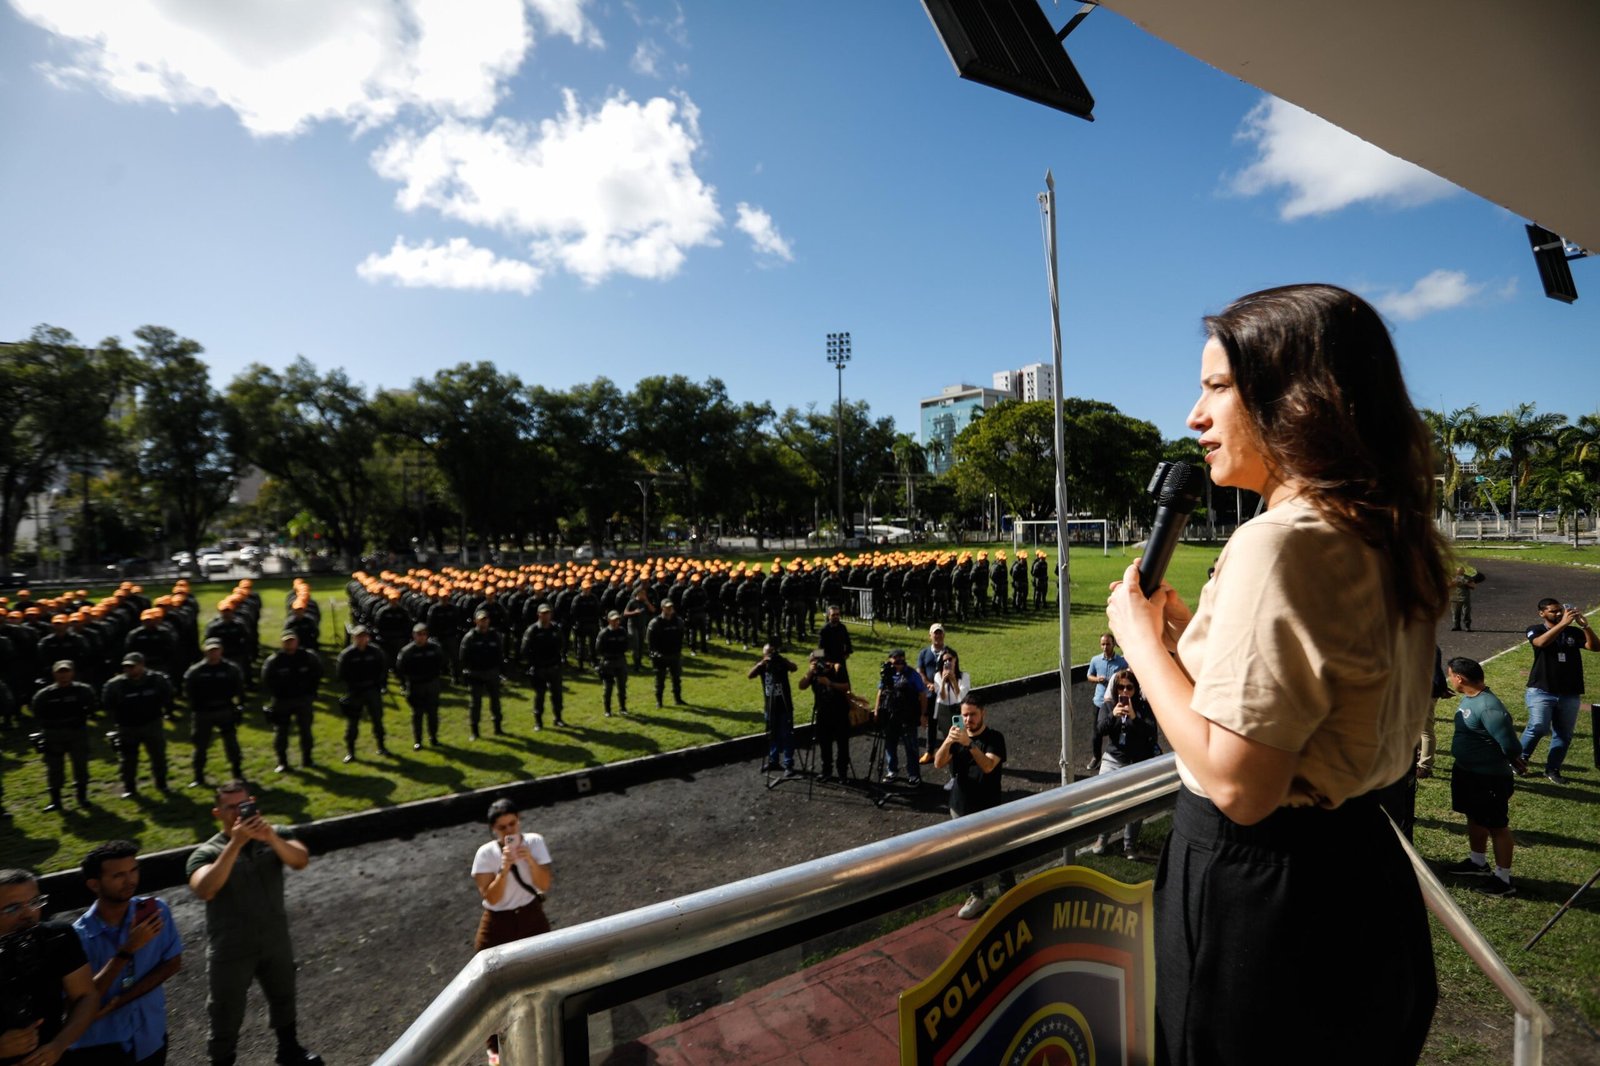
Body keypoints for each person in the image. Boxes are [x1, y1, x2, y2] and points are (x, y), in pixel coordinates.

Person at [1104, 284, 1443, 1064]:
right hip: (1363, 874)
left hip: (1265, 905)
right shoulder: (1382, 529)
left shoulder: (1279, 541)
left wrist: (1140, 642)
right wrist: (1194, 638)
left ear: (1298, 401)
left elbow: (1239, 784)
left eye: (1218, 387)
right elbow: (1319, 695)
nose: (1194, 416)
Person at [184, 781, 322, 1066]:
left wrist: (270, 837)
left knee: (283, 994)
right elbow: (205, 889)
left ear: (254, 803)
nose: (237, 813)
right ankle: (222, 1061)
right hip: (231, 946)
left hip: (274, 938)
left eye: (242, 805)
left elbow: (300, 861)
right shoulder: (206, 852)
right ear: (217, 812)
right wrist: (235, 843)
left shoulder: (275, 835)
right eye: (230, 807)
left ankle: (289, 1049)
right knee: (225, 1008)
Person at [71, 841, 184, 1066]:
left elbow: (173, 963)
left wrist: (122, 1000)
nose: (130, 880)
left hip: (150, 1036)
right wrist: (127, 950)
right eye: (118, 875)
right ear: (94, 884)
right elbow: (80, 1001)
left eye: (134, 871)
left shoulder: (157, 911)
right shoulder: (78, 936)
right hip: (100, 1047)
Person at [470, 798, 552, 1063]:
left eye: (512, 824)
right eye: (502, 828)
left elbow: (545, 884)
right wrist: (504, 869)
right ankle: (494, 1045)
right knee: (492, 984)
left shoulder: (535, 842)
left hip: (530, 916)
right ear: (493, 830)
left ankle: (540, 1030)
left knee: (540, 975)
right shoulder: (486, 854)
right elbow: (491, 897)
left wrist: (529, 861)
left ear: (520, 820)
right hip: (498, 921)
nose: (509, 832)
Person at [1442, 657, 1524, 896]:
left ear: (1459, 678)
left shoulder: (1489, 707)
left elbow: (1511, 745)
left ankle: (1503, 880)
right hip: (1467, 772)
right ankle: (1478, 862)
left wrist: (1513, 759)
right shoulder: (1471, 698)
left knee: (1497, 825)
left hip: (1488, 778)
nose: (1449, 679)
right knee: (1474, 816)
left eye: (1450, 675)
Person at [0, 868, 97, 1066]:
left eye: (35, 902)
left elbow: (86, 996)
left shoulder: (57, 938)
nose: (29, 914)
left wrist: (58, 1045)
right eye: (13, 908)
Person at [933, 699, 1012, 919]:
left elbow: (987, 766)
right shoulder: (957, 739)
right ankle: (976, 895)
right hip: (961, 806)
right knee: (970, 855)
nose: (968, 720)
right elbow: (938, 763)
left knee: (998, 851)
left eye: (972, 715)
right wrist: (948, 742)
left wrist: (969, 744)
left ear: (983, 713)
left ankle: (1009, 891)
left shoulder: (995, 738)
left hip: (989, 807)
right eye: (964, 715)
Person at [1519, 596, 1599, 784]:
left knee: (1564, 734)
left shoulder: (1572, 632)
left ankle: (1553, 769)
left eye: (1559, 610)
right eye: (1553, 611)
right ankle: (1519, 760)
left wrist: (1585, 626)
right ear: (1542, 613)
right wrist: (1563, 624)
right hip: (1541, 690)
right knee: (1538, 727)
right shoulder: (1535, 629)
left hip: (1570, 692)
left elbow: (1595, 647)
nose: (1558, 613)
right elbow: (1540, 643)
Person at [1087, 669, 1161, 857]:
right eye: (1121, 687)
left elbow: (1151, 732)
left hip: (1138, 762)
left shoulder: (1143, 707)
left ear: (1135, 689)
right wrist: (1113, 714)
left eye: (1129, 687)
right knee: (1106, 802)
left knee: (1136, 805)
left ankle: (1129, 845)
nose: (1125, 691)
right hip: (1114, 759)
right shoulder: (1109, 705)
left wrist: (1135, 718)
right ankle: (1102, 838)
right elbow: (1100, 730)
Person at [101, 652, 175, 799]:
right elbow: (107, 704)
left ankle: (162, 783)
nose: (129, 670)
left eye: (132, 666)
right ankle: (129, 787)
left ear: (142, 665)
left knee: (158, 755)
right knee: (128, 759)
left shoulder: (157, 680)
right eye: (126, 667)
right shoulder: (115, 685)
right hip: (127, 727)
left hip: (152, 724)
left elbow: (167, 696)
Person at [31, 660, 96, 811]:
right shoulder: (44, 695)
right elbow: (37, 713)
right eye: (60, 672)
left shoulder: (83, 690)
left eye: (66, 672)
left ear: (72, 673)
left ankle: (82, 797)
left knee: (80, 764)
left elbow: (92, 707)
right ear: (54, 674)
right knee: (54, 767)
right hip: (54, 734)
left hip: (77, 733)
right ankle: (56, 801)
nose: (63, 675)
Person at [184, 640, 247, 788]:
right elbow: (189, 691)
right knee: (200, 745)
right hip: (203, 713)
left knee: (231, 742)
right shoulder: (196, 671)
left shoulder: (230, 669)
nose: (213, 653)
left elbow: (239, 688)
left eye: (216, 650)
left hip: (225, 710)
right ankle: (198, 775)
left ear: (221, 651)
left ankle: (237, 772)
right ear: (205, 652)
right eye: (210, 651)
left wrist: (239, 706)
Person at [260, 632, 321, 774]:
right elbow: (267, 680)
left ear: (297, 642)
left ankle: (308, 759)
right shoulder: (275, 660)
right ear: (282, 643)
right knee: (281, 732)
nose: (290, 644)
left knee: (306, 731)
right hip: (282, 701)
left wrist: (311, 693)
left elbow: (317, 673)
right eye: (287, 641)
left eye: (292, 641)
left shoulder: (307, 657)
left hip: (303, 700)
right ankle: (282, 761)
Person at [335, 626, 389, 761]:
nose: (362, 639)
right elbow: (341, 674)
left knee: (377, 720)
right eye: (358, 636)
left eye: (364, 636)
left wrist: (379, 684)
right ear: (354, 638)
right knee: (352, 723)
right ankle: (351, 752)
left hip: (372, 690)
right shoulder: (347, 655)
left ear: (368, 637)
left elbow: (383, 669)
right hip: (355, 692)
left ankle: (381, 746)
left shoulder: (376, 652)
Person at [875, 650, 927, 786]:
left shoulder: (912, 675)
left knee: (911, 746)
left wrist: (923, 714)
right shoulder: (887, 674)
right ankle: (892, 770)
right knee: (890, 744)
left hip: (907, 717)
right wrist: (876, 710)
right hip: (890, 716)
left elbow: (922, 695)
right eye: (894, 662)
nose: (898, 665)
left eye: (900, 662)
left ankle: (914, 774)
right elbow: (880, 692)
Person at [798, 649, 851, 782]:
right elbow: (801, 685)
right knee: (824, 743)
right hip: (823, 712)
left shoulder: (837, 668)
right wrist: (810, 671)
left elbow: (846, 687)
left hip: (840, 711)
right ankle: (826, 770)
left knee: (842, 743)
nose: (815, 664)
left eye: (816, 661)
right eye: (812, 662)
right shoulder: (815, 673)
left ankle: (842, 773)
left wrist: (830, 683)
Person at [393, 622, 447, 750]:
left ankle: (433, 738)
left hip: (431, 684)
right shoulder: (407, 651)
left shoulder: (434, 648)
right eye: (418, 634)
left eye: (423, 634)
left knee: (433, 713)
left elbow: (442, 663)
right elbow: (400, 669)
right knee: (417, 714)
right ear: (413, 636)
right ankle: (418, 740)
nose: (421, 637)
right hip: (416, 686)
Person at [748, 645, 798, 774]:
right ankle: (773, 761)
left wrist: (783, 660)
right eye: (767, 653)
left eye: (771, 653)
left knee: (787, 735)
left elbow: (794, 667)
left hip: (784, 705)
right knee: (772, 735)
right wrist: (761, 663)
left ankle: (788, 764)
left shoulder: (782, 663)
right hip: (770, 706)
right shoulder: (763, 665)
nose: (770, 656)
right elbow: (750, 675)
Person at [458, 610, 507, 740]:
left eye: (485, 620)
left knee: (495, 701)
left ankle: (498, 727)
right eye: (481, 620)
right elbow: (463, 657)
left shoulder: (494, 635)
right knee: (475, 703)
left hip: (492, 672)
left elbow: (500, 655)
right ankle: (475, 731)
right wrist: (466, 673)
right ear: (476, 621)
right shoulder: (470, 637)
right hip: (476, 673)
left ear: (488, 621)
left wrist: (501, 671)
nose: (483, 623)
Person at [1084, 633, 1128, 774]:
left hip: (1114, 703)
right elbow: (1089, 676)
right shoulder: (1095, 660)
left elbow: (1127, 678)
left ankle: (1113, 757)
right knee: (1097, 733)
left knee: (1115, 730)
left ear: (1113, 644)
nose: (1105, 647)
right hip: (1099, 702)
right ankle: (1096, 757)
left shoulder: (1121, 662)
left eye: (1108, 644)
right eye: (1103, 644)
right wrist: (1097, 679)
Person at [519, 604, 566, 729]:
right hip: (539, 668)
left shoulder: (555, 628)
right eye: (543, 613)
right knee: (539, 696)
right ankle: (538, 722)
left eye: (548, 613)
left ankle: (558, 718)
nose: (546, 616)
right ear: (538, 615)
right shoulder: (533, 630)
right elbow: (524, 650)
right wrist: (533, 664)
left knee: (557, 695)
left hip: (553, 667)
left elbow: (561, 644)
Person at [916, 624, 956, 765]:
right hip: (931, 695)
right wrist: (928, 684)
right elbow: (920, 671)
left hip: (947, 695)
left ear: (943, 635)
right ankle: (929, 751)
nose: (937, 636)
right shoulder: (924, 653)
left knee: (948, 724)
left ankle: (951, 751)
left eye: (940, 633)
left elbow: (955, 671)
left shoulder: (950, 653)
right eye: (935, 633)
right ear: (930, 636)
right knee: (931, 725)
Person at [928, 649, 971, 771]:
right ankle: (953, 774)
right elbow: (941, 696)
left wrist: (953, 680)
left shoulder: (964, 676)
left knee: (962, 741)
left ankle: (964, 770)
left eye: (950, 659)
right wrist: (943, 681)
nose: (947, 662)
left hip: (959, 711)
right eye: (945, 661)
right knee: (949, 742)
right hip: (944, 712)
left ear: (956, 660)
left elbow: (961, 696)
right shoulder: (937, 675)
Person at [645, 600, 686, 708]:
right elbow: (650, 642)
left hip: (674, 654)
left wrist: (678, 651)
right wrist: (654, 654)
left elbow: (681, 636)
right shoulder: (655, 623)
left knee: (676, 678)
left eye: (671, 607)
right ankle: (659, 702)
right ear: (662, 608)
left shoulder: (678, 621)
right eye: (667, 608)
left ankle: (678, 699)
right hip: (661, 656)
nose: (669, 609)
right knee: (660, 680)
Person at [594, 611, 631, 717]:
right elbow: (598, 649)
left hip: (620, 661)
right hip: (608, 663)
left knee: (622, 687)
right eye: (613, 620)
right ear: (609, 620)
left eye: (617, 620)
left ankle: (623, 708)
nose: (616, 622)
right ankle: (607, 710)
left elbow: (626, 645)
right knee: (608, 688)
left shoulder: (622, 631)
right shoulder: (604, 633)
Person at [815, 605, 853, 685]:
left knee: (845, 686)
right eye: (833, 615)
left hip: (841, 661)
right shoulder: (824, 630)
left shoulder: (843, 628)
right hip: (829, 663)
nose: (836, 616)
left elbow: (848, 643)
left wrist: (847, 653)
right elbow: (820, 649)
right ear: (829, 616)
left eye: (837, 614)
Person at [1449, 566, 1484, 631]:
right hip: (1455, 598)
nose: (1460, 572)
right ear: (1456, 571)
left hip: (1465, 598)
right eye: (1458, 571)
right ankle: (1456, 626)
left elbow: (1473, 586)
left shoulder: (1468, 578)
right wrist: (1453, 583)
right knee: (1455, 613)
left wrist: (1466, 583)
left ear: (1464, 571)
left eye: (1461, 571)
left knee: (1466, 613)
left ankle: (1467, 626)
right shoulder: (1452, 577)